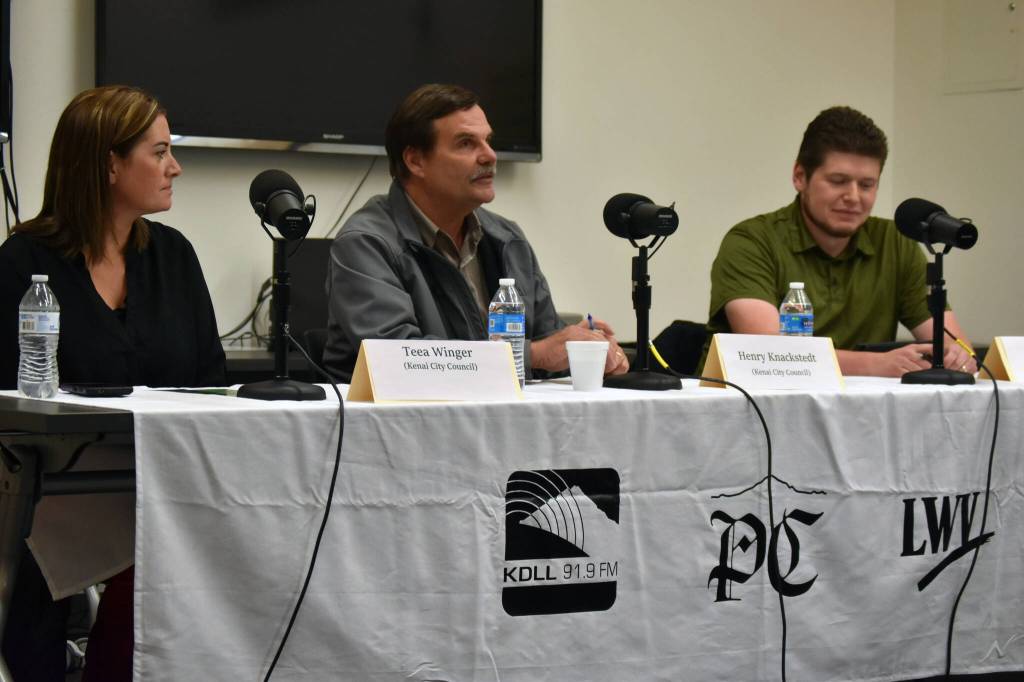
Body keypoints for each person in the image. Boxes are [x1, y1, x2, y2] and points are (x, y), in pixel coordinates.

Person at [0, 85, 225, 681]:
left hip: (163, 484)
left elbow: (212, 382)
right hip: (51, 488)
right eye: (159, 152)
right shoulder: (25, 262)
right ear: (109, 164)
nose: (175, 166)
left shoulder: (173, 256)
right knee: (30, 562)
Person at [324, 83, 630, 381]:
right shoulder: (366, 243)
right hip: (396, 426)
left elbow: (545, 342)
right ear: (415, 160)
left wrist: (583, 348)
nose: (489, 156)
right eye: (466, 143)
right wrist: (534, 354)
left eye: (488, 141)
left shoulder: (507, 238)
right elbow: (401, 361)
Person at [700, 106, 975, 377]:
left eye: (866, 185)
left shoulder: (895, 242)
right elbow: (771, 353)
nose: (854, 197)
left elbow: (955, 346)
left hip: (865, 413)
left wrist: (954, 357)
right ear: (799, 177)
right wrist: (875, 365)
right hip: (759, 410)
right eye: (838, 181)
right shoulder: (751, 241)